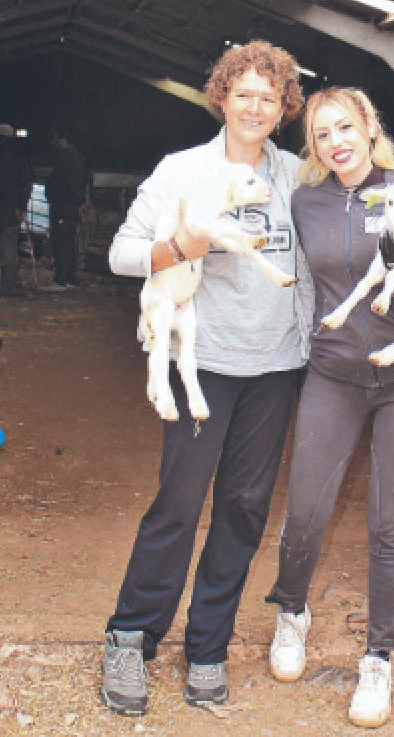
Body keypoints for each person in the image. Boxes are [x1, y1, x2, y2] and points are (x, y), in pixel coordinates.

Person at [100, 40, 312, 716]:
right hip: (205, 366)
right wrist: (175, 249)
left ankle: (208, 646)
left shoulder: (298, 178)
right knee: (180, 501)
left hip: (274, 368)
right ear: (222, 96)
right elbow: (122, 252)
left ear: (284, 109)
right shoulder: (183, 170)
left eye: (269, 97)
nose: (255, 106)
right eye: (243, 92)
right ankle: (131, 634)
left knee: (245, 509)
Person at [263, 87, 394, 728]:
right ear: (314, 146)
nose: (336, 141)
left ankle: (378, 659)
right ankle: (291, 615)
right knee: (305, 505)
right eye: (322, 134)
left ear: (368, 127)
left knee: (390, 524)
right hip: (333, 376)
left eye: (345, 127)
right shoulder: (306, 202)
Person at [43, 126, 89, 290]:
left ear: (63, 140)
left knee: (62, 241)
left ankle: (61, 279)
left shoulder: (66, 159)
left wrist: (53, 194)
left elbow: (66, 184)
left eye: (56, 138)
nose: (54, 142)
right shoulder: (77, 158)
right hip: (69, 206)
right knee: (68, 241)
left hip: (63, 206)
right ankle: (69, 277)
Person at [0, 123, 32, 296]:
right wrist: (21, 205)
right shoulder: (18, 156)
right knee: (10, 246)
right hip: (10, 208)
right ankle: (8, 282)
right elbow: (25, 182)